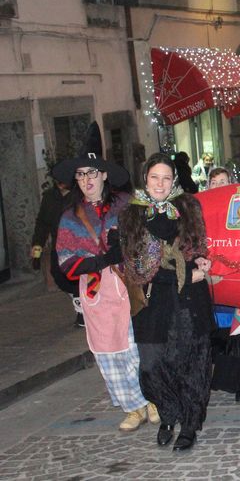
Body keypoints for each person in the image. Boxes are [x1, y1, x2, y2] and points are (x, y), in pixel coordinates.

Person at [53, 125, 157, 432]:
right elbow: (66, 262)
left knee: (135, 347)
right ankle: (132, 406)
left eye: (92, 173)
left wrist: (128, 252)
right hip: (96, 291)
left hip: (128, 285)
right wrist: (101, 260)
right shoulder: (70, 216)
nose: (87, 180)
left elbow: (150, 241)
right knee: (107, 350)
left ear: (104, 176)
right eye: (81, 175)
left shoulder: (128, 205)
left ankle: (151, 398)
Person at [120, 152, 215, 451]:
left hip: (187, 303)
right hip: (153, 303)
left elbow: (197, 246)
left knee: (190, 363)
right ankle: (168, 414)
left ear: (173, 179)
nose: (159, 184)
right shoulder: (132, 214)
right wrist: (187, 274)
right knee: (153, 365)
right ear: (145, 179)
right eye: (153, 177)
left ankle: (187, 424)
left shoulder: (187, 206)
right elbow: (137, 267)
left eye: (165, 177)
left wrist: (200, 260)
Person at [207, 167, 240, 402]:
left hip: (239, 280)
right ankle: (222, 379)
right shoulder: (201, 211)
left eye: (223, 182)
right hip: (211, 282)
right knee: (218, 333)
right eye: (214, 182)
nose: (219, 187)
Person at [31, 178, 83, 326]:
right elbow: (42, 223)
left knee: (77, 277)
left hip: (77, 244)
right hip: (58, 245)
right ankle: (79, 299)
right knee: (58, 275)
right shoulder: (49, 197)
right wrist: (37, 247)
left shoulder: (78, 194)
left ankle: (82, 311)